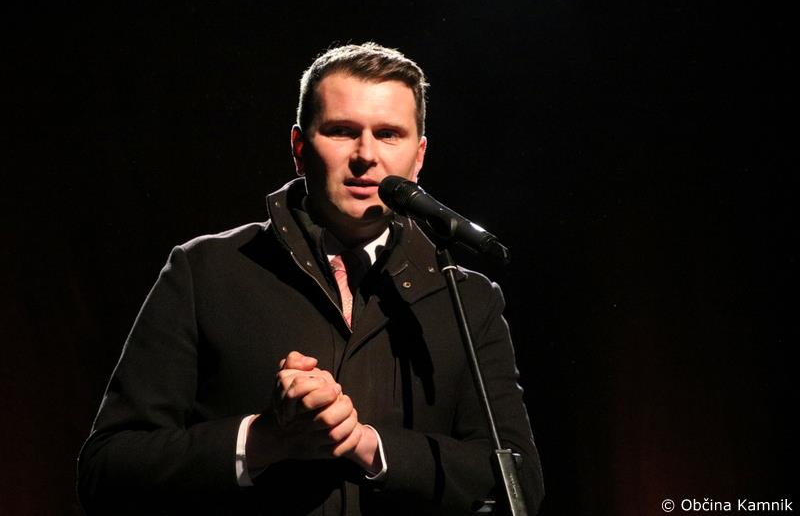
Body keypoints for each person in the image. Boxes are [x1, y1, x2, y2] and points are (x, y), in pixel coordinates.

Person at [78, 42, 544, 515]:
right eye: (342, 131)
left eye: (388, 134)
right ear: (299, 149)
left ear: (418, 155)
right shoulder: (204, 270)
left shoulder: (467, 299)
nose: (366, 155)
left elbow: (520, 483)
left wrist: (366, 445)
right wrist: (266, 438)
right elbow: (106, 470)